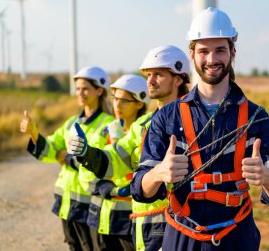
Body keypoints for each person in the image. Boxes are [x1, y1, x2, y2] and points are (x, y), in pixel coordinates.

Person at [131, 7, 269, 251]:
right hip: (181, 238)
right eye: (203, 51)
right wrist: (159, 173)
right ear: (193, 54)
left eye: (220, 50)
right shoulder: (166, 117)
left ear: (232, 52)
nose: (211, 59)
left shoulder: (257, 119)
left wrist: (267, 178)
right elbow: (139, 189)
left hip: (236, 238)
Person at [68, 45, 191, 251]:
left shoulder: (195, 122)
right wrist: (86, 152)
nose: (150, 81)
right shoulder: (142, 125)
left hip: (179, 225)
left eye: (158, 75)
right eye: (148, 74)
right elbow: (115, 160)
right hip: (144, 225)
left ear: (178, 79)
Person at [20, 66, 114, 251]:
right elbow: (51, 149)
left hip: (90, 203)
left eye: (85, 88)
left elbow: (101, 162)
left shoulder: (108, 124)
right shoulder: (72, 122)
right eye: (78, 88)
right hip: (68, 202)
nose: (80, 93)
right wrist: (34, 133)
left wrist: (67, 158)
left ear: (99, 91)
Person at [72, 74, 149, 251]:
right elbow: (85, 174)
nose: (117, 105)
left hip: (129, 219)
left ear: (139, 103)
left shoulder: (145, 135)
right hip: (100, 216)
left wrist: (116, 142)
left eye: (124, 101)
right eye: (114, 99)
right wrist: (112, 190)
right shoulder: (102, 132)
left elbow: (137, 172)